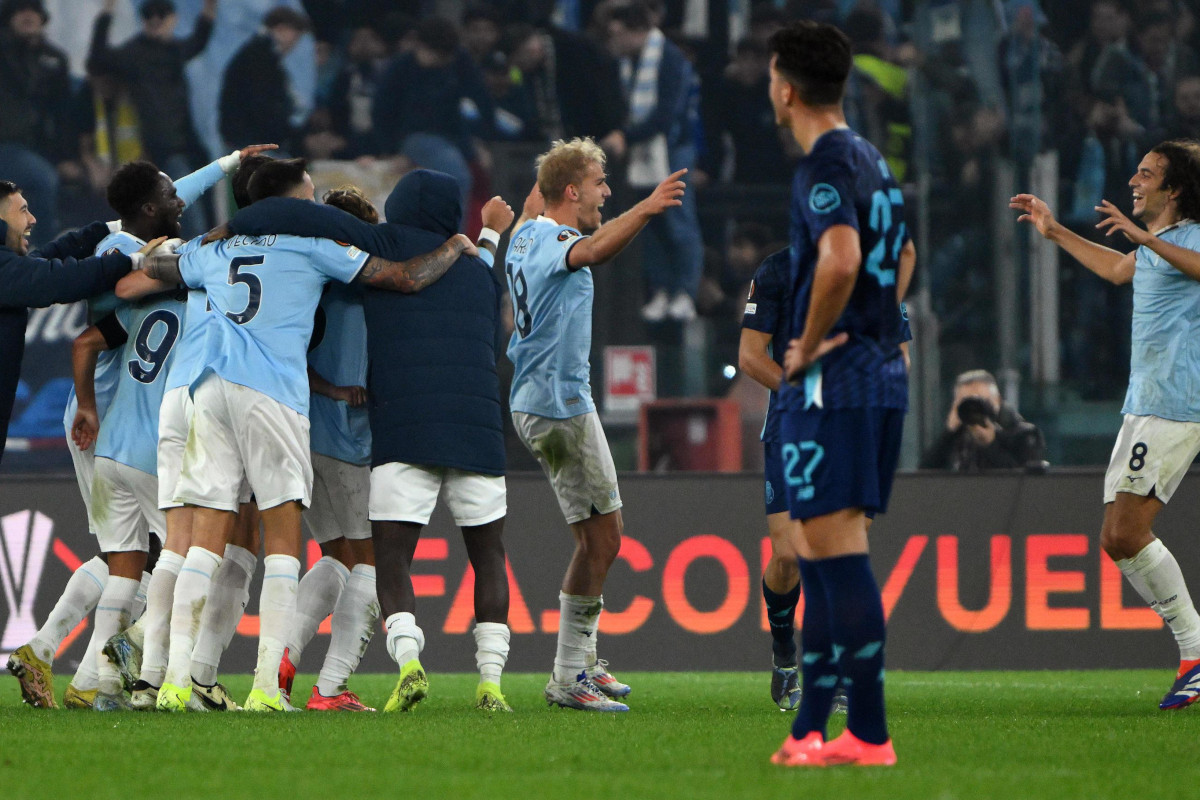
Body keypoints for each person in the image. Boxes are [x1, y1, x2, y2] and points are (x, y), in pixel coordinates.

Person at [119, 157, 476, 712]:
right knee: (283, 541)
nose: (314, 208)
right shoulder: (312, 247)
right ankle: (265, 688)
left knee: (203, 540)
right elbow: (404, 277)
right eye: (307, 198)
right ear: (289, 202)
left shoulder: (214, 251)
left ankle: (173, 681)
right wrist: (456, 245)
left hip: (208, 393)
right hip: (272, 395)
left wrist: (197, 241)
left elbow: (158, 266)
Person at [223, 172, 517, 713]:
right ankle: (340, 686)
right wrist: (484, 236)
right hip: (413, 436)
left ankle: (331, 667)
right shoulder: (448, 274)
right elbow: (480, 280)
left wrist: (234, 223)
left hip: (330, 429)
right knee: (419, 563)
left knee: (356, 559)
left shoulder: (344, 271)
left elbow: (305, 232)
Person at [766, 21, 913, 768]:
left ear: (786, 88)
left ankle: (871, 733)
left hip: (838, 380)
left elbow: (841, 257)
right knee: (822, 549)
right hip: (881, 371)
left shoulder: (821, 165)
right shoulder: (871, 159)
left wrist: (810, 343)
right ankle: (813, 732)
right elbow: (902, 251)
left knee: (833, 550)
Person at [1011, 139, 1200, 710]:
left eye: (1147, 174)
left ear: (1175, 189)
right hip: (1143, 402)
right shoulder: (1153, 248)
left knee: (1123, 532)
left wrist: (1148, 240)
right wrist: (1055, 233)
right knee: (1114, 537)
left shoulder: (1187, 236)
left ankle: (1195, 651)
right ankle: (1194, 652)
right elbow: (1119, 269)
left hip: (1177, 402)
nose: (1134, 181)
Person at [506, 137, 685, 712]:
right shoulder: (558, 240)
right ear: (572, 192)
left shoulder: (525, 233)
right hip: (559, 406)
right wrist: (648, 207)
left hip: (541, 400)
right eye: (600, 183)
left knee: (594, 538)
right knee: (605, 538)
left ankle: (580, 662)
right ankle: (568, 675)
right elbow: (595, 250)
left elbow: (540, 198)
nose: (608, 193)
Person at [0, 182, 137, 470]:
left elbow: (45, 260)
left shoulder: (9, 270)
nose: (32, 219)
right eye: (23, 210)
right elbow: (57, 279)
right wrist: (136, 262)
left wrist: (108, 229)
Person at [605, 2, 703, 322]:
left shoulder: (669, 58)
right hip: (643, 155)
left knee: (677, 223)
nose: (614, 41)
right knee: (650, 223)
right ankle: (661, 290)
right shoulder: (627, 63)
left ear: (636, 31)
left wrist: (625, 136)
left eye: (618, 34)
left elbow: (664, 117)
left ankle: (685, 292)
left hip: (673, 149)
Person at [737, 247, 803, 711]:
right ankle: (784, 650)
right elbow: (750, 356)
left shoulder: (878, 264)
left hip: (856, 427)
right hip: (793, 424)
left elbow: (898, 350)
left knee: (844, 552)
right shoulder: (779, 269)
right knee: (790, 555)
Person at [219, 7, 310, 155]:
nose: (295, 44)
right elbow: (263, 106)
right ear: (281, 29)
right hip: (253, 144)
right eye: (296, 37)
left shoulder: (257, 53)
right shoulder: (260, 59)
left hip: (245, 140)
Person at [919, 370, 1045, 471]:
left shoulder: (1024, 434)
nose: (974, 409)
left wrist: (991, 443)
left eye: (981, 401)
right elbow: (924, 474)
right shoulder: (956, 435)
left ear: (997, 401)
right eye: (966, 402)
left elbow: (1024, 482)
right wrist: (949, 433)